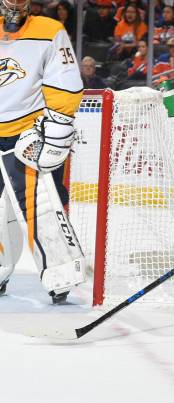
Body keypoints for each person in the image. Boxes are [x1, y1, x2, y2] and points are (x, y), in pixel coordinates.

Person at [0, 0, 86, 302]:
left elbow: (65, 84)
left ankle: (61, 274)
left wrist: (59, 126)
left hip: (26, 135)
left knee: (41, 206)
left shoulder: (50, 31)